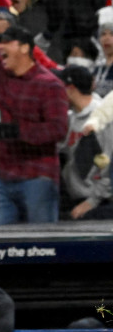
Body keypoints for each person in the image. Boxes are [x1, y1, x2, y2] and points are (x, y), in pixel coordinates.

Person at [0, 0, 69, 224]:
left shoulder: (50, 85)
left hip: (38, 177)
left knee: (43, 246)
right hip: (3, 176)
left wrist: (17, 131)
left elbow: (58, 130)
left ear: (25, 47)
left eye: (7, 42)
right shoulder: (0, 74)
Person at [58, 66, 113, 220]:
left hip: (99, 204)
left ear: (70, 89)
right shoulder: (70, 118)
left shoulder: (104, 119)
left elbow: (109, 167)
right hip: (76, 199)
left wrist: (92, 201)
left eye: (58, 87)